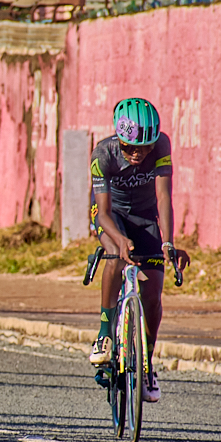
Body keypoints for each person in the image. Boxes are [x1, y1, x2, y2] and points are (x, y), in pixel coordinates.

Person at [87, 98, 189, 403]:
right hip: (111, 216)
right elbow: (103, 213)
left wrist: (167, 243)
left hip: (145, 218)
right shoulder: (102, 154)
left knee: (154, 290)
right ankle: (105, 334)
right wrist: (118, 239)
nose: (137, 153)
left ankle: (145, 365)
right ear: (118, 138)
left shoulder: (161, 147)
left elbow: (163, 198)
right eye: (129, 146)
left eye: (144, 146)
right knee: (117, 258)